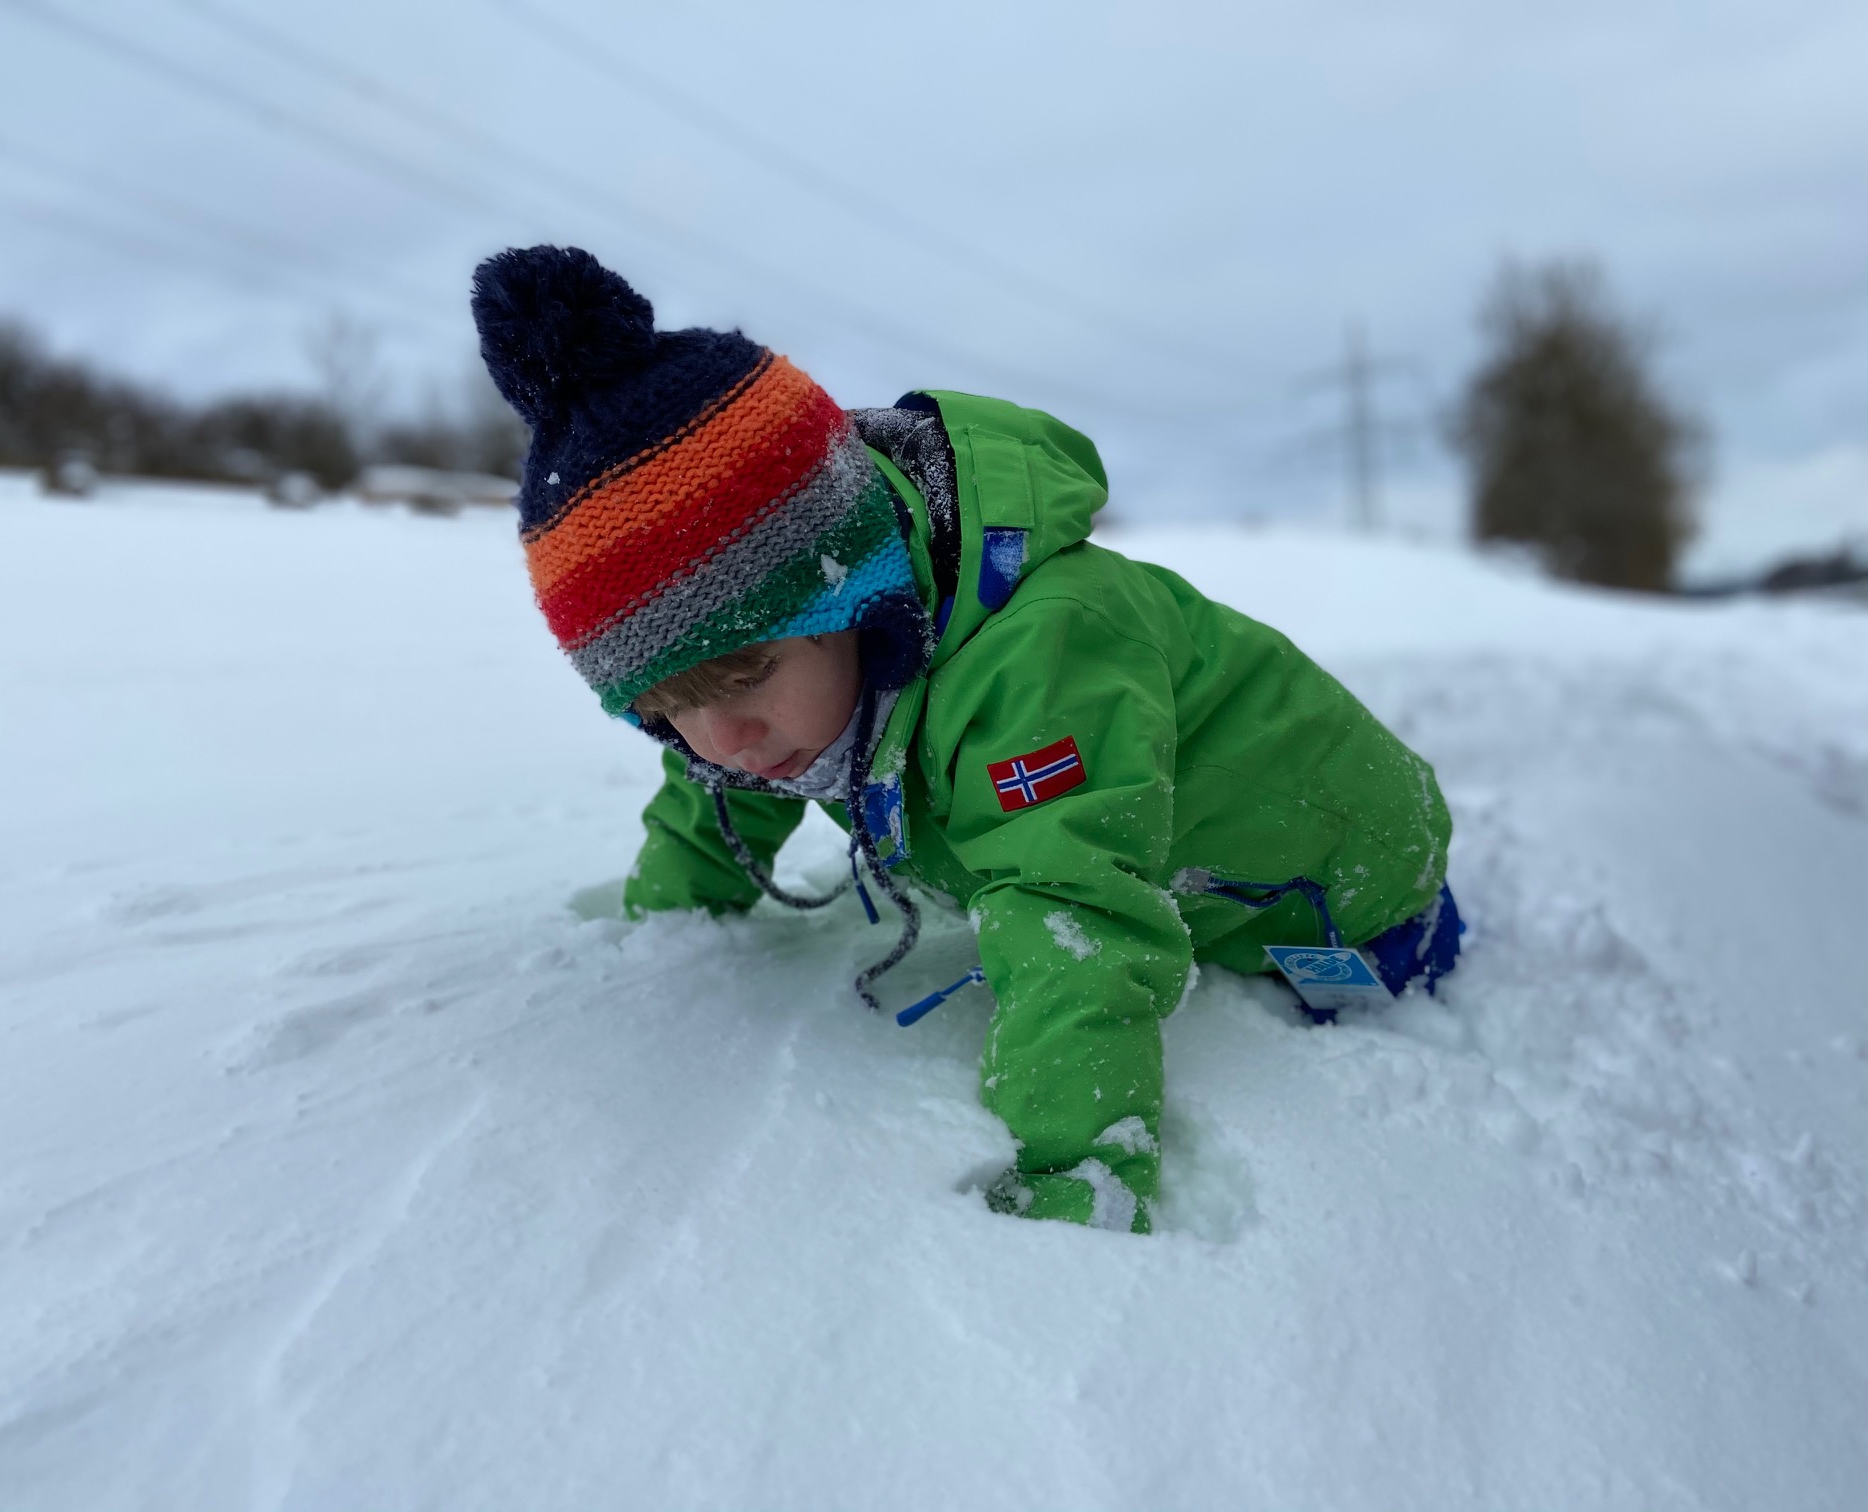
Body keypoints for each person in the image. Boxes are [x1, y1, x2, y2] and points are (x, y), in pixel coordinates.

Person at [470, 245, 1460, 1234]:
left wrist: (1077, 1172)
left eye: (746, 677)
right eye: (667, 708)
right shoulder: (790, 692)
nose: (719, 737)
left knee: (1368, 994)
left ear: (855, 595)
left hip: (1334, 888)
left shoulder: (1039, 657)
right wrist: (674, 920)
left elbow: (1071, 921)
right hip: (1172, 856)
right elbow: (714, 783)